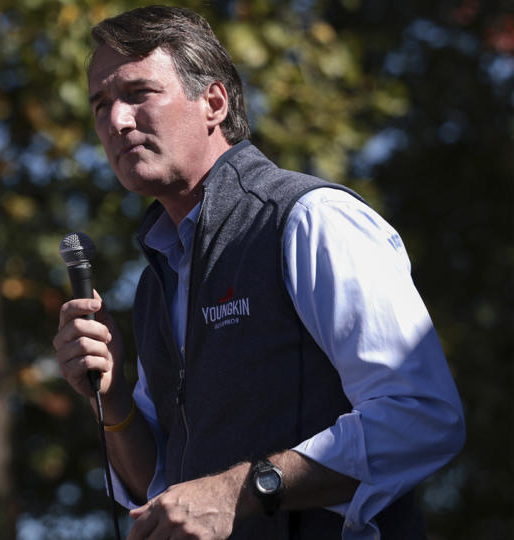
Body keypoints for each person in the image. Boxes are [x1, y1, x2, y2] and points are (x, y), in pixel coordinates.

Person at [52, 6, 465, 540]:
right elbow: (162, 487)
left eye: (138, 93)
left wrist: (239, 490)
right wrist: (111, 396)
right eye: (101, 105)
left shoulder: (309, 218)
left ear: (214, 102)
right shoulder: (156, 281)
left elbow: (422, 415)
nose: (117, 121)